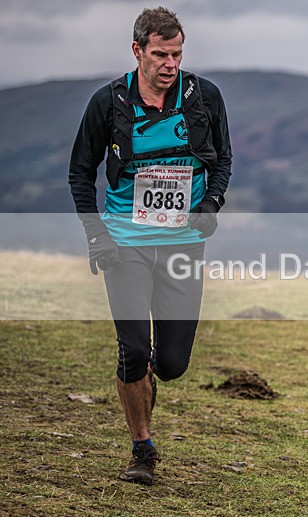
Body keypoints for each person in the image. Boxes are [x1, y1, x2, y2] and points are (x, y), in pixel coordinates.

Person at [68, 7, 232, 484]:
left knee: (174, 364)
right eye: (160, 54)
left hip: (183, 243)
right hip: (126, 242)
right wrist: (96, 234)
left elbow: (222, 160)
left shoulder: (204, 97)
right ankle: (143, 449)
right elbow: (81, 172)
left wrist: (212, 205)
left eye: (177, 54)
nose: (170, 64)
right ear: (137, 51)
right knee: (134, 348)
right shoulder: (108, 102)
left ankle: (148, 382)